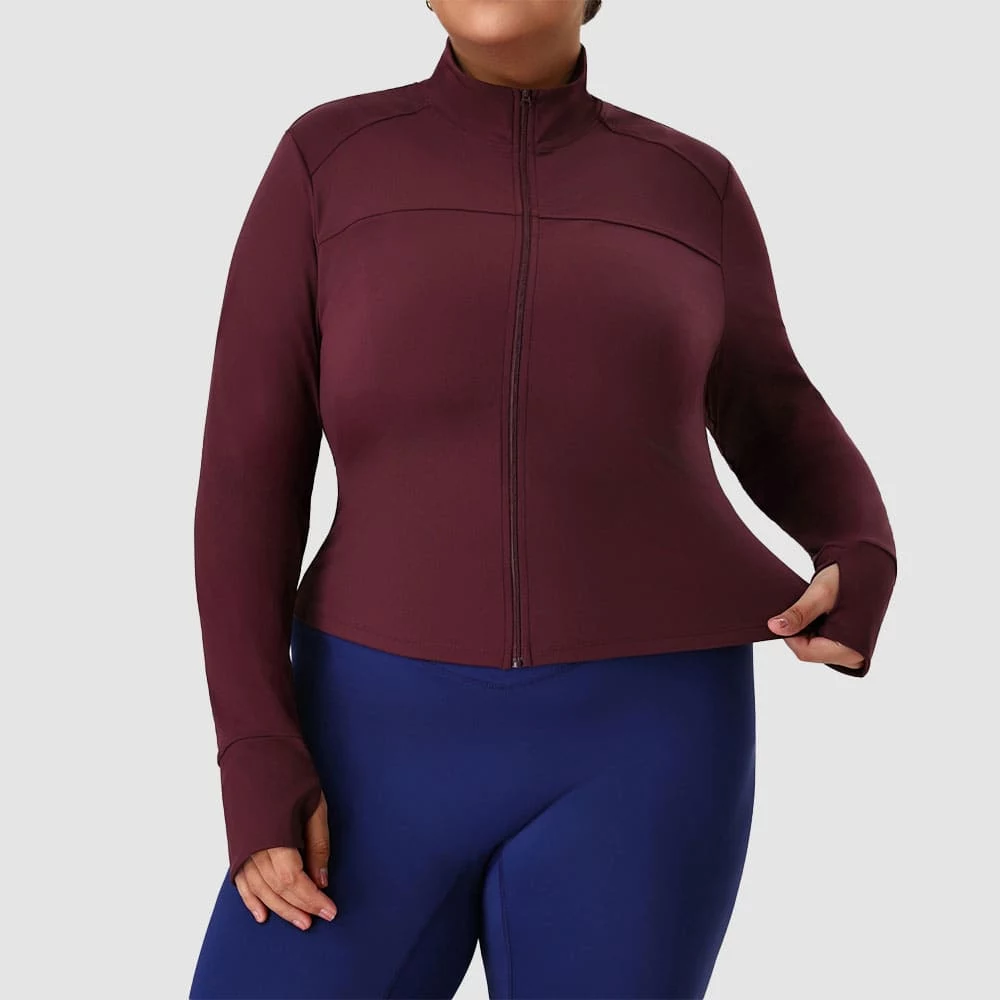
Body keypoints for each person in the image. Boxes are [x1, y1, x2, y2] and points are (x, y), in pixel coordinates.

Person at [188, 1, 898, 996]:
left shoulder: (691, 185)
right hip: (366, 744)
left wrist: (860, 550)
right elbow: (245, 482)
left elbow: (773, 407)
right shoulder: (328, 161)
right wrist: (257, 752)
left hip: (645, 745)